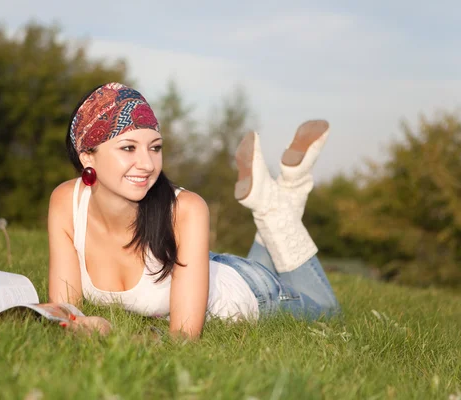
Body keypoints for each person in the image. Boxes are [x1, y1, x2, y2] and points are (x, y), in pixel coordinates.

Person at [47, 82, 340, 338]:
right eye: (128, 148)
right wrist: (89, 325)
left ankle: (273, 203)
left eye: (155, 148)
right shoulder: (67, 202)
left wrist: (124, 337)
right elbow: (64, 309)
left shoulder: (186, 209)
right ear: (88, 156)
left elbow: (183, 337)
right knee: (270, 259)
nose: (148, 164)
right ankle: (285, 186)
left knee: (328, 310)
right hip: (208, 269)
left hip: (250, 292)